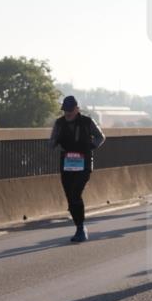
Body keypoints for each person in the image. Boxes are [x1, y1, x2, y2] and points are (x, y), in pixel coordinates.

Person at [50, 95, 106, 243]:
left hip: (84, 163)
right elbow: (51, 141)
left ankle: (81, 228)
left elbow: (101, 137)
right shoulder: (59, 123)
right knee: (70, 197)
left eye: (70, 110)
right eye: (65, 110)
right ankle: (78, 226)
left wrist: (91, 147)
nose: (67, 113)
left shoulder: (87, 122)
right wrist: (54, 143)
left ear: (77, 109)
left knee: (76, 193)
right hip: (67, 163)